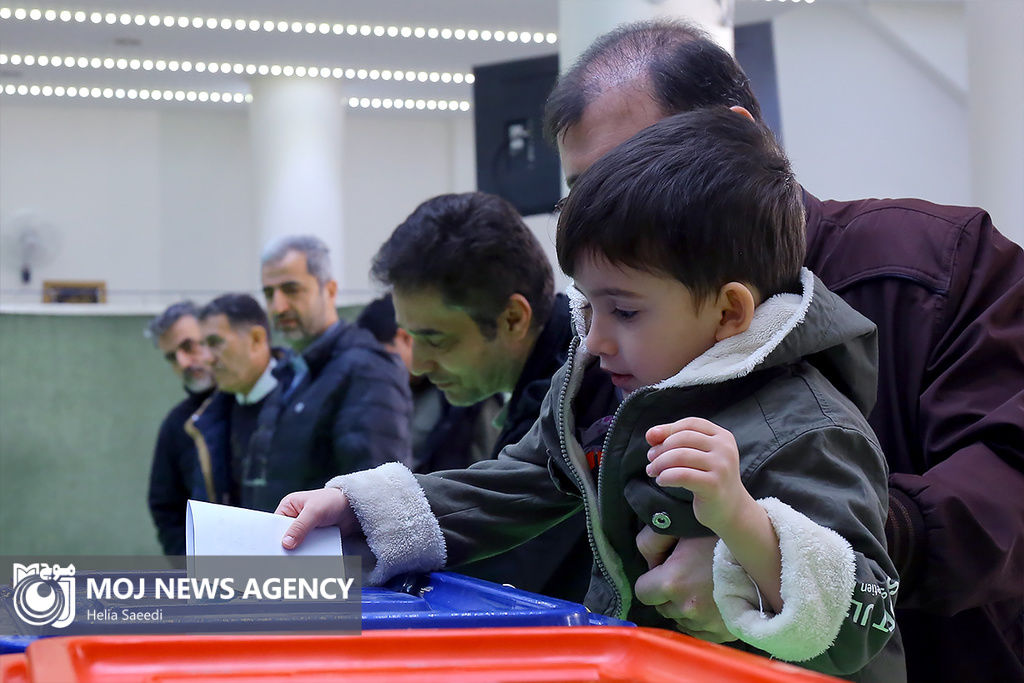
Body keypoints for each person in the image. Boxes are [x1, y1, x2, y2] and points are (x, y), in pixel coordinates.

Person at [276, 109, 903, 680]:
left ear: (729, 310)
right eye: (588, 305)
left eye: (625, 311)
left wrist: (741, 522)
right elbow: (522, 480)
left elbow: (861, 625)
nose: (596, 339)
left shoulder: (810, 427)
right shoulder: (605, 386)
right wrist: (365, 512)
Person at [543, 20, 1024, 683]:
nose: (596, 208)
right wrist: (352, 554)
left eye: (628, 168)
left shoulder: (939, 267)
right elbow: (526, 496)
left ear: (738, 134)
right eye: (578, 188)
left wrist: (766, 554)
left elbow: (1007, 483)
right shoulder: (611, 332)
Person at [366, 192, 594, 600]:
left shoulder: (578, 398)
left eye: (436, 340)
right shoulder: (547, 384)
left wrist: (284, 586)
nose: (417, 365)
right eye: (410, 338)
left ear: (512, 319)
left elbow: (494, 572)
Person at [245, 235, 412, 511]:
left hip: (332, 551)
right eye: (269, 293)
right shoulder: (290, 372)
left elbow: (378, 496)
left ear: (330, 290)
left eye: (291, 289)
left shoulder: (367, 368)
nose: (278, 306)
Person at [355, 294, 502, 474]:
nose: (377, 370)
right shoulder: (394, 393)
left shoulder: (472, 394)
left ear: (405, 338)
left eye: (382, 358)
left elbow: (492, 472)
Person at [186, 294, 284, 507]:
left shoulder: (302, 402)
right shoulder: (211, 416)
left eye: (215, 343)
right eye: (204, 346)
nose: (207, 358)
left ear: (256, 340)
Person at [144, 300, 216, 555]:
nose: (184, 362)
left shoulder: (259, 399)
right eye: (173, 357)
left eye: (188, 346)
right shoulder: (176, 425)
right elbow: (166, 508)